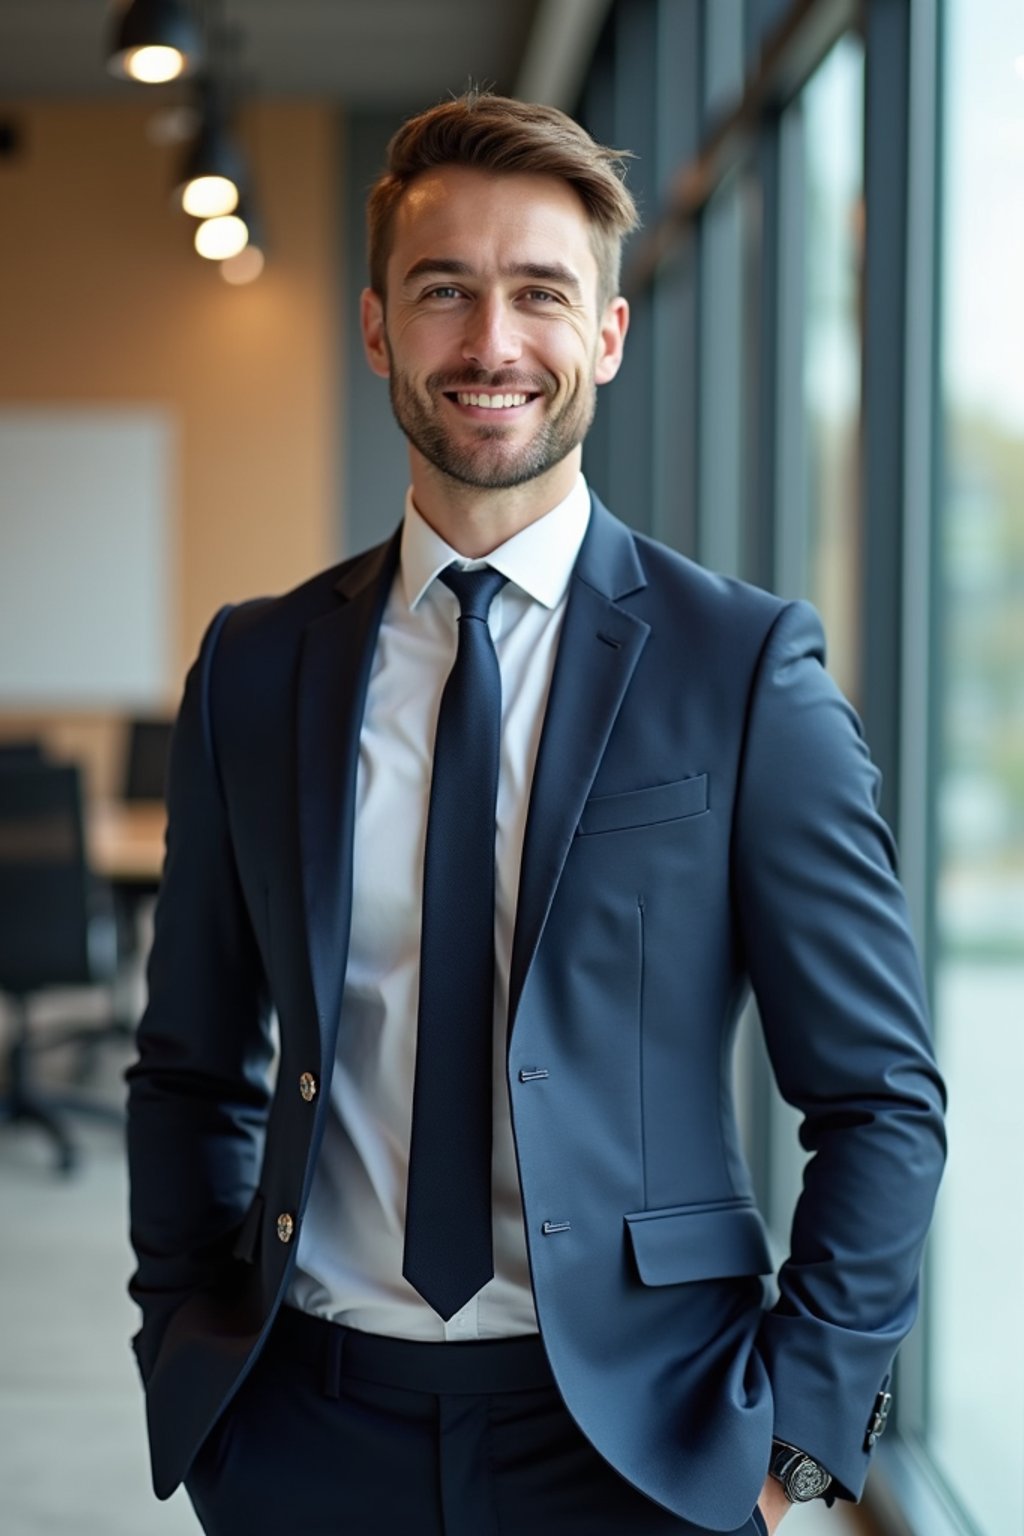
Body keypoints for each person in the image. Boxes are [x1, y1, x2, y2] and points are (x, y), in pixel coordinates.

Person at [126, 92, 946, 1536]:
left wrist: (799, 1466)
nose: (491, 344)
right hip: (306, 1431)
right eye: (444, 293)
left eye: (539, 296)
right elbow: (192, 1067)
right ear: (378, 329)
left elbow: (883, 1107)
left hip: (644, 1451)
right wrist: (188, 1385)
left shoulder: (746, 670)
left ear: (608, 338)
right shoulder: (256, 670)